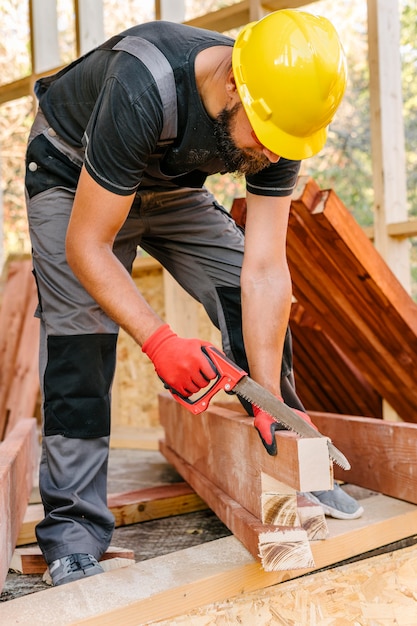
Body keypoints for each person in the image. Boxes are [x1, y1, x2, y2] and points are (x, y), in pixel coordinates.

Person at [25, 9, 363, 587]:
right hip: (71, 174)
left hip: (167, 186)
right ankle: (73, 533)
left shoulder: (283, 112)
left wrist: (268, 394)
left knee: (240, 289)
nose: (271, 152)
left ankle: (288, 454)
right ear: (233, 81)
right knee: (80, 339)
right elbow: (87, 244)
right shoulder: (144, 82)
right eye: (264, 135)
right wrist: (160, 342)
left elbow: (263, 269)